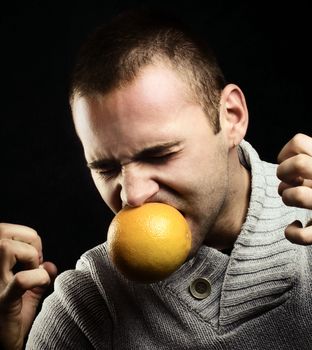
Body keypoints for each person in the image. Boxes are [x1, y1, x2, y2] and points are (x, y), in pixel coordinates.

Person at [1, 8, 311, 350]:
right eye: (105, 168)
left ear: (232, 118)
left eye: (159, 154)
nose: (132, 196)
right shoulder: (87, 305)